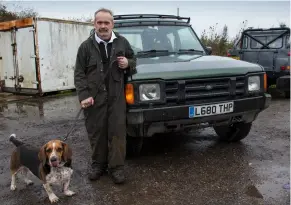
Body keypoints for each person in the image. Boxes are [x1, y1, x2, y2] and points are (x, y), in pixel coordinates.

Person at [74, 8, 136, 184]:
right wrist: (84, 95)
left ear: (112, 24)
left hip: (117, 98)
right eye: (99, 22)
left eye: (106, 22)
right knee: (97, 132)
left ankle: (116, 168)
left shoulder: (122, 42)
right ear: (94, 24)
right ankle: (98, 165)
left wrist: (128, 63)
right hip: (94, 99)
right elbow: (79, 73)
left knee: (117, 133)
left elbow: (134, 60)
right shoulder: (85, 47)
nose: (103, 26)